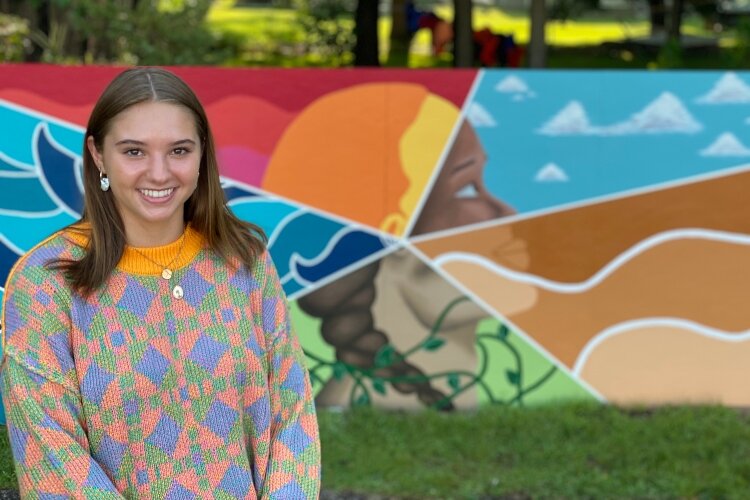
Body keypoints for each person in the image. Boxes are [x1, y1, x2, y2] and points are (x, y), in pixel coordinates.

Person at [0, 67, 320, 498]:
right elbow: (52, 454)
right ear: (98, 154)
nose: (159, 173)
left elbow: (292, 410)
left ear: (202, 152)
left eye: (179, 150)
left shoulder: (245, 259)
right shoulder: (45, 283)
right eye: (134, 151)